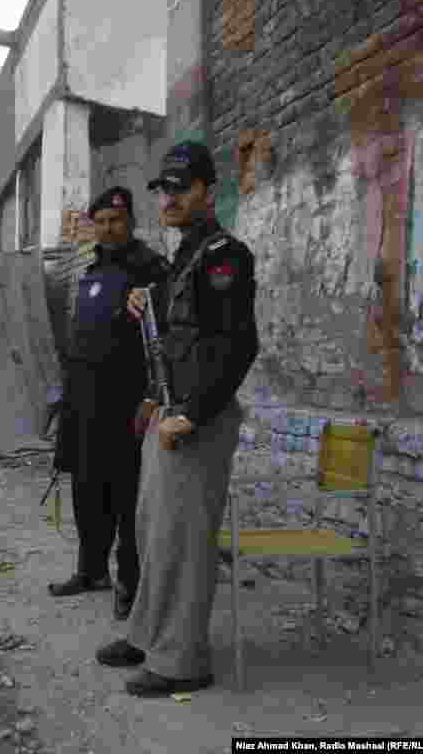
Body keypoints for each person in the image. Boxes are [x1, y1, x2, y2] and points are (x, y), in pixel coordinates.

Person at [95, 141, 259, 697]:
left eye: (180, 188)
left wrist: (192, 414)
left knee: (184, 542)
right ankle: (148, 636)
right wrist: (148, 301)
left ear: (206, 192)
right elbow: (180, 337)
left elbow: (239, 346)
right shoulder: (186, 257)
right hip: (170, 413)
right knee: (152, 532)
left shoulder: (224, 257)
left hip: (197, 423)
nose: (169, 197)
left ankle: (183, 660)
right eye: (164, 188)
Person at [49, 187, 169, 623]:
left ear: (130, 222)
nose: (106, 228)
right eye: (99, 221)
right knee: (86, 490)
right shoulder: (91, 269)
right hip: (84, 401)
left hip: (126, 403)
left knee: (127, 496)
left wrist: (151, 397)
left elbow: (165, 339)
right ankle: (91, 569)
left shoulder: (151, 269)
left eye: (114, 221)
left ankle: (130, 583)